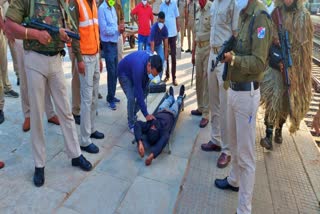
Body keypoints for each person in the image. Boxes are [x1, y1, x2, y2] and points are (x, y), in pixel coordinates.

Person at [5, 0, 93, 187]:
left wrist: (65, 36)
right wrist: (34, 34)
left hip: (56, 61)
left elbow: (66, 24)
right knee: (37, 115)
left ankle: (75, 154)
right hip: (35, 60)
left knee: (66, 112)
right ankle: (39, 164)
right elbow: (9, 24)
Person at [214, 0, 272, 213]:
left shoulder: (260, 18)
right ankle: (234, 180)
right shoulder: (244, 14)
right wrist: (229, 47)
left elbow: (259, 62)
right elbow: (239, 42)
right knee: (234, 143)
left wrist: (234, 59)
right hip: (233, 90)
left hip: (247, 94)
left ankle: (244, 209)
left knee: (246, 156)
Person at [260, 0, 313, 150]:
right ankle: (268, 134)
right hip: (275, 64)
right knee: (272, 99)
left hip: (292, 67)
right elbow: (266, 32)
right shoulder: (277, 12)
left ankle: (279, 129)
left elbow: (304, 49)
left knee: (285, 100)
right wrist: (274, 39)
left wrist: (292, 64)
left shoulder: (303, 17)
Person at [200, 0, 239, 169]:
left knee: (225, 106)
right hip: (212, 55)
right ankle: (215, 139)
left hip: (225, 59)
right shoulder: (214, 4)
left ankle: (227, 149)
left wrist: (231, 58)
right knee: (213, 101)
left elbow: (236, 35)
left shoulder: (233, 4)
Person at [70, 0, 104, 154]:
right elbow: (74, 33)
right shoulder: (76, 3)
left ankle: (91, 129)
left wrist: (100, 56)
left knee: (94, 97)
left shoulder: (94, 4)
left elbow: (96, 31)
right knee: (86, 98)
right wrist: (79, 59)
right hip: (84, 57)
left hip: (95, 55)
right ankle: (84, 140)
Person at [14, 39, 60, 132]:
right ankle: (28, 115)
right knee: (24, 77)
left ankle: (50, 113)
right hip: (21, 37)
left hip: (39, 35)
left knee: (45, 74)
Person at [134, 85, 185, 166]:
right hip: (171, 113)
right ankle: (180, 96)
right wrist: (151, 156)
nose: (153, 126)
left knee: (167, 101)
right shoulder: (163, 132)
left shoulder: (149, 125)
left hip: (161, 110)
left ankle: (171, 96)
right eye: (154, 128)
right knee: (177, 103)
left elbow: (137, 124)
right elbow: (161, 144)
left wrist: (139, 142)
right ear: (157, 132)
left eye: (152, 127)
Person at [118, 51, 162, 133]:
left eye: (155, 75)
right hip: (124, 74)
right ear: (149, 65)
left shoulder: (151, 62)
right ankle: (131, 123)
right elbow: (139, 92)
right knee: (131, 98)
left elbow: (143, 87)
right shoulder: (139, 67)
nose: (153, 76)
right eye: (153, 74)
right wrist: (146, 114)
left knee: (146, 90)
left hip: (133, 71)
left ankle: (133, 113)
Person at [98, 0, 124, 110]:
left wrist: (120, 30)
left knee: (115, 71)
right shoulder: (102, 9)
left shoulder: (112, 8)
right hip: (107, 44)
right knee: (111, 71)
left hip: (114, 42)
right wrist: (116, 29)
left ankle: (112, 96)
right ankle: (110, 99)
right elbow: (103, 30)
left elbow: (114, 25)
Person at [190, 0, 211, 129]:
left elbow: (215, 31)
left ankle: (206, 114)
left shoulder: (212, 9)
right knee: (198, 79)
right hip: (198, 49)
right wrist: (193, 51)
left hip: (208, 48)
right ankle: (200, 107)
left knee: (206, 79)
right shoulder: (197, 9)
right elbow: (194, 33)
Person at [0, 1, 19, 99]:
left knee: (13, 51)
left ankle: (18, 75)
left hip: (9, 20)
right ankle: (6, 87)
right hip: (2, 25)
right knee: (2, 60)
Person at [160, 0, 180, 86]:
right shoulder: (162, 5)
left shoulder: (174, 4)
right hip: (165, 35)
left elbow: (177, 17)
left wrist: (178, 29)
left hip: (173, 33)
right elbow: (160, 20)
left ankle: (174, 77)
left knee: (174, 56)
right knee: (166, 56)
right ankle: (167, 75)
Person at [147, 11, 169, 79]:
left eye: (162, 22)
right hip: (150, 45)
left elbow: (166, 46)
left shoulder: (165, 29)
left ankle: (158, 79)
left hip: (159, 45)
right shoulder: (153, 28)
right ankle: (150, 79)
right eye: (160, 21)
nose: (161, 23)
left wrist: (165, 60)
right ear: (157, 19)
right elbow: (152, 45)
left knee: (161, 59)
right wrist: (152, 57)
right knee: (149, 61)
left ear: (164, 21)